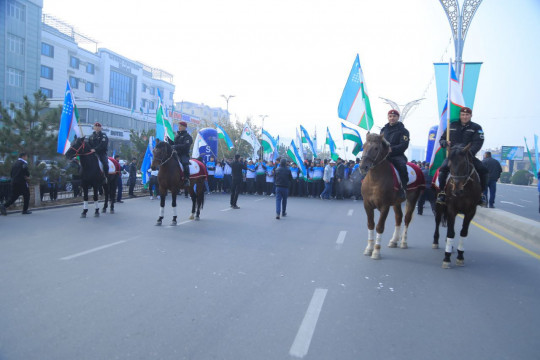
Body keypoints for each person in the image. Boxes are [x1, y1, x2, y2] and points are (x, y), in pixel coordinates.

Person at [436, 107, 488, 206]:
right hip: (453, 156)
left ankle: (481, 194)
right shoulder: (451, 125)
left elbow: (478, 142)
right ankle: (442, 192)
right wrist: (444, 143)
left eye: (467, 115)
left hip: (468, 155)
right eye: (463, 115)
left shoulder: (476, 127)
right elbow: (442, 139)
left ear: (471, 116)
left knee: (483, 170)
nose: (465, 117)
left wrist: (469, 153)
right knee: (442, 170)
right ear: (460, 115)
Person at [380, 109, 409, 199]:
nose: (392, 118)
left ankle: (403, 189)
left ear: (398, 117)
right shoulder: (383, 130)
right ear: (388, 117)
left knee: (402, 167)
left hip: (397, 155)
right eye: (390, 116)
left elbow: (404, 145)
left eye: (394, 116)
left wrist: (391, 149)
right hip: (384, 156)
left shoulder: (403, 131)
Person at [168, 121, 192, 187]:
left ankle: (187, 179)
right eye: (179, 126)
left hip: (183, 154)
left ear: (185, 127)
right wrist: (169, 140)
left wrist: (176, 146)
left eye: (181, 126)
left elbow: (186, 146)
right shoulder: (177, 135)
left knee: (185, 164)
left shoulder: (187, 137)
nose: (179, 127)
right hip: (175, 153)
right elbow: (174, 144)